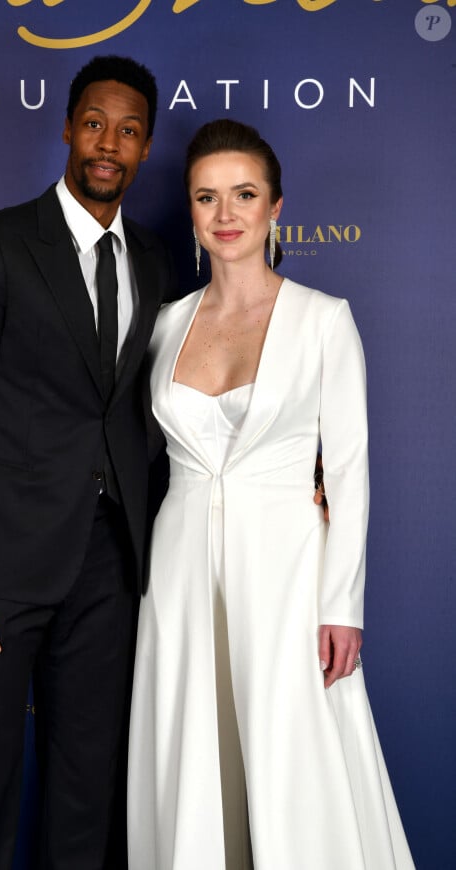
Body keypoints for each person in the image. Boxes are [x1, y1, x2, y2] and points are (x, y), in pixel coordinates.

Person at [127, 119, 415, 870]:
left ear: (276, 207)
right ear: (190, 211)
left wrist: (339, 606)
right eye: (207, 197)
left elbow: (348, 472)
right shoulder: (162, 326)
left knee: (297, 764)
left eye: (244, 194)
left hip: (289, 572)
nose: (226, 214)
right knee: (193, 751)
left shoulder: (323, 321)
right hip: (183, 569)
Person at [0, 55, 177, 870]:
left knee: (87, 798)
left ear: (145, 149)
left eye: (129, 131)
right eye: (96, 123)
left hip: (111, 570)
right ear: (67, 128)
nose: (110, 143)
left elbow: (163, 415)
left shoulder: (159, 264)